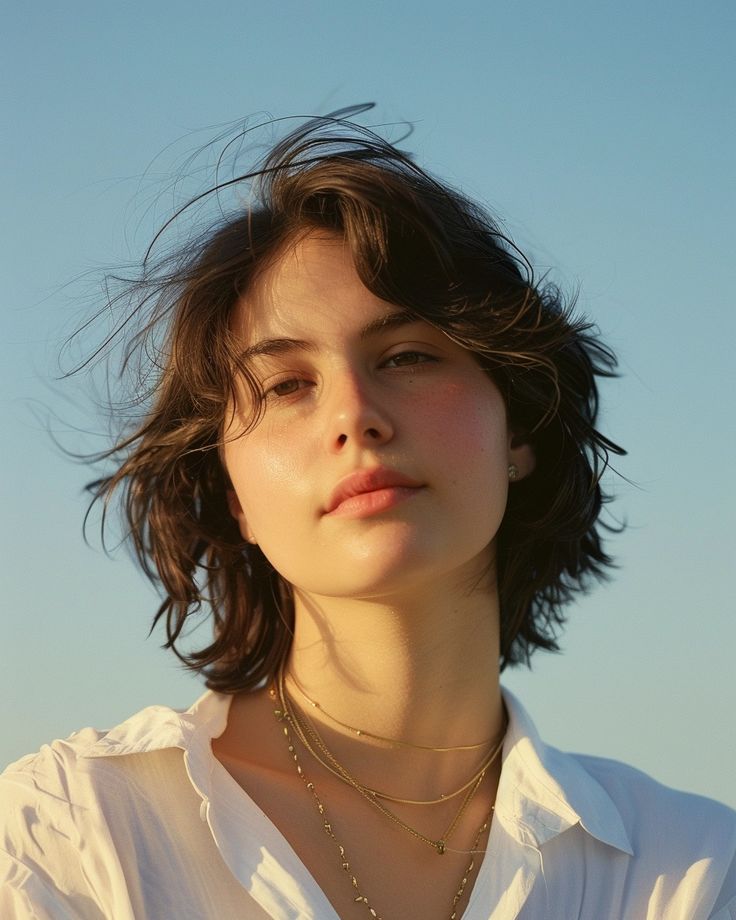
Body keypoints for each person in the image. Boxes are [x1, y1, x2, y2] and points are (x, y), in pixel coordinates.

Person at [1, 109, 734, 920]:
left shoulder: (689, 871)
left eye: (408, 356)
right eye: (286, 386)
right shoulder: (74, 833)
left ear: (518, 428)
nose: (355, 415)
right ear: (233, 495)